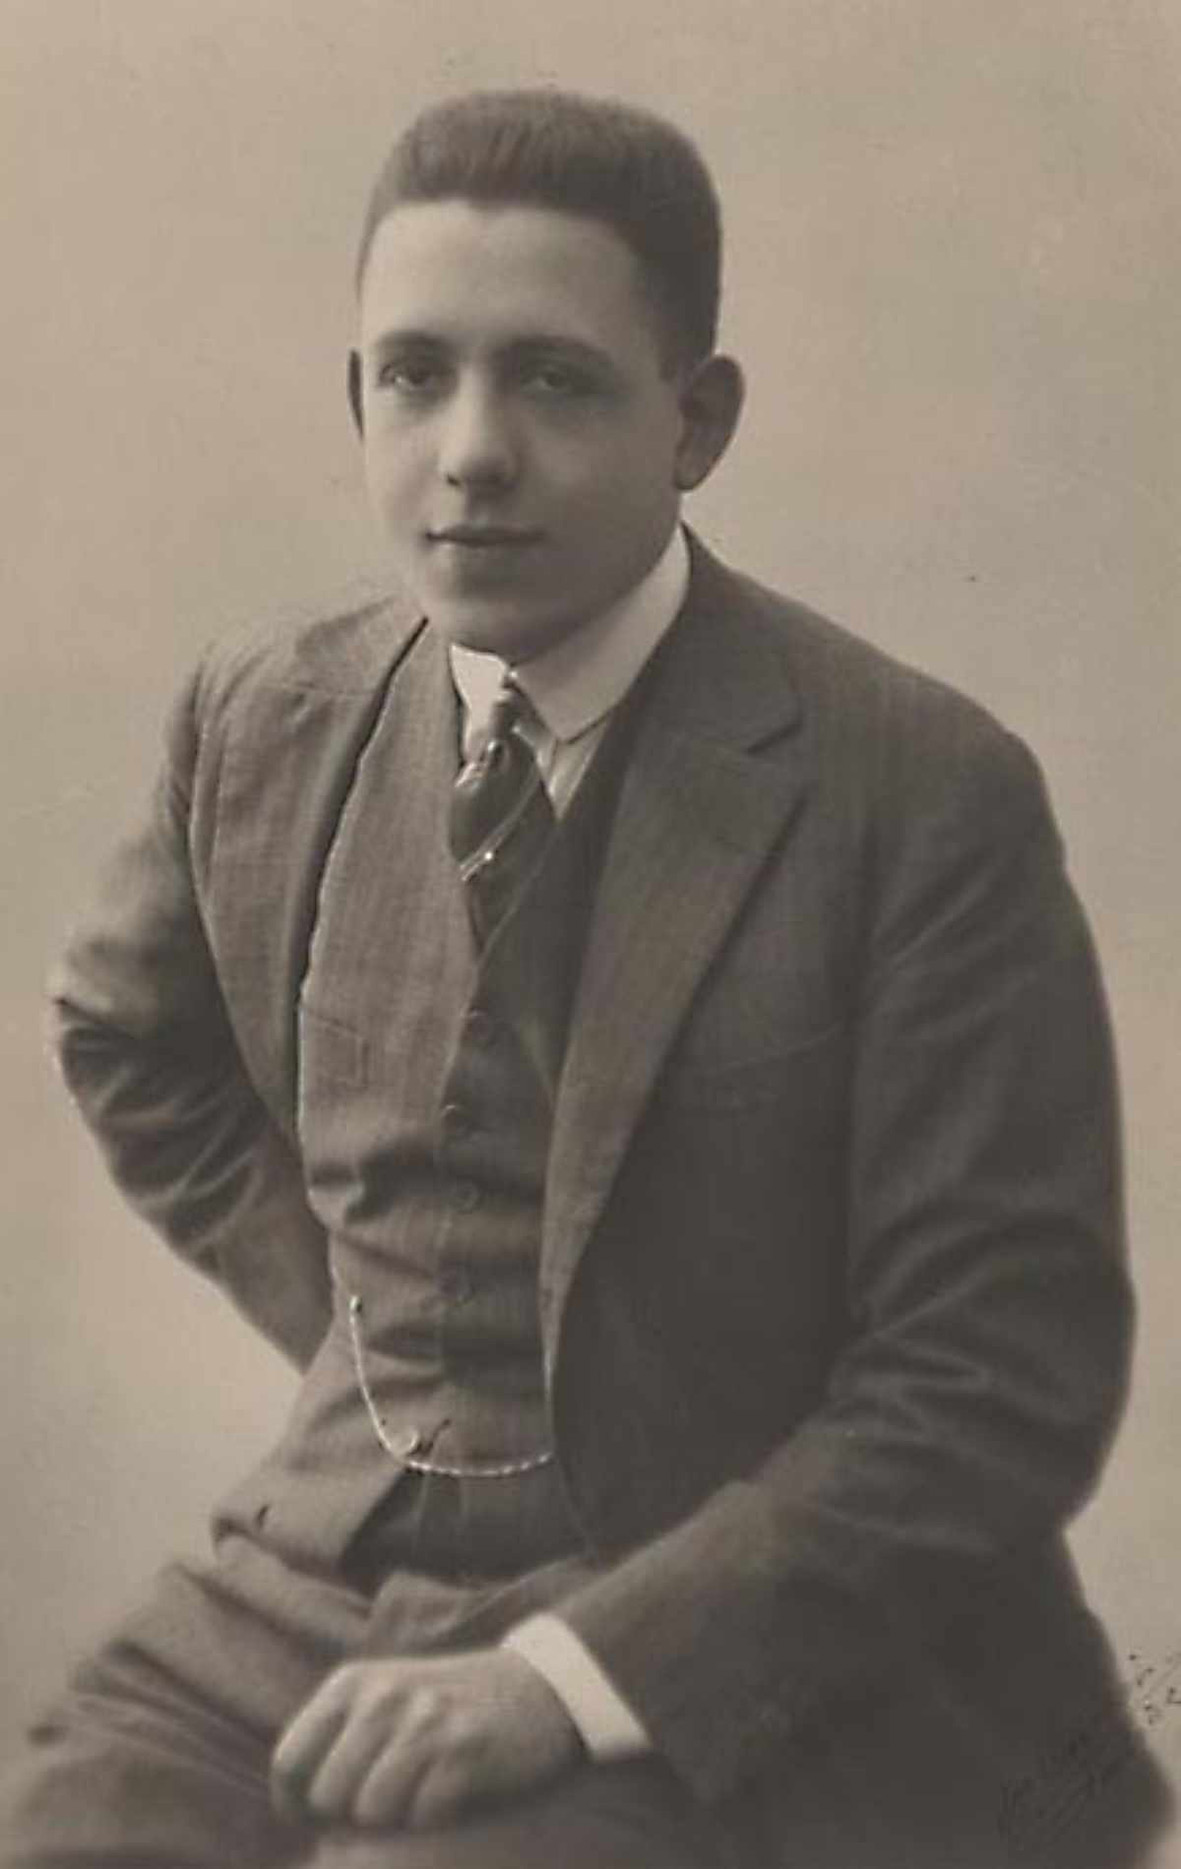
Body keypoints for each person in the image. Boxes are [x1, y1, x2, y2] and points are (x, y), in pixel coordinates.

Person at [2, 87, 1171, 1869]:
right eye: (415, 375)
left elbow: (993, 1370)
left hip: (728, 1623)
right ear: (359, 398)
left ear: (694, 421)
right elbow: (124, 1035)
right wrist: (369, 1346)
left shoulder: (913, 791)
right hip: (314, 1587)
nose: (470, 451)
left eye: (552, 381)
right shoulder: (267, 714)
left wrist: (568, 1675)